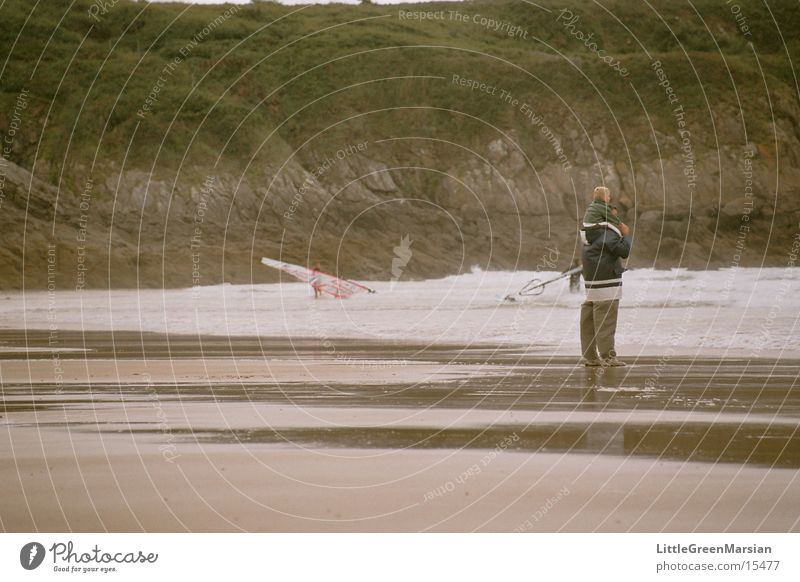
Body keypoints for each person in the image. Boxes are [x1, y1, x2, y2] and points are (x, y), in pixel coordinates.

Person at [580, 187, 631, 367]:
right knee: (606, 320)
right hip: (606, 281)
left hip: (591, 281)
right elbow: (624, 251)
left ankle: (590, 357)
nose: (617, 220)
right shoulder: (607, 233)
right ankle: (609, 357)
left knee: (589, 319)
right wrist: (626, 236)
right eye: (613, 215)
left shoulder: (589, 234)